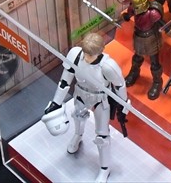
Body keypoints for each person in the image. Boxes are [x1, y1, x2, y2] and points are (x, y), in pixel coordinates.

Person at [41, 32, 128, 183]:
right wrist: (56, 102)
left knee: (102, 137)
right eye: (86, 53)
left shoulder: (108, 66)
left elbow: (120, 85)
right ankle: (78, 135)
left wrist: (123, 106)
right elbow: (64, 81)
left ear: (100, 51)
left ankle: (104, 168)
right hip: (80, 93)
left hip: (100, 99)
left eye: (91, 54)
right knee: (77, 117)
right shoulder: (75, 55)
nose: (87, 57)